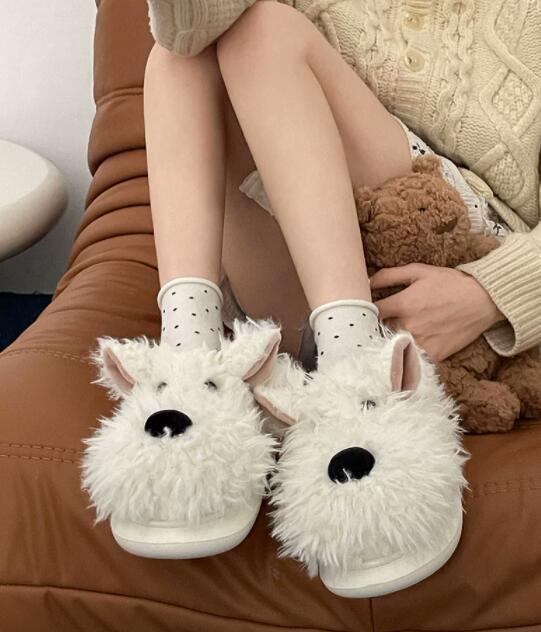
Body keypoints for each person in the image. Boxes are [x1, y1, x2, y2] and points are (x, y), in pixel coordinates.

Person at [143, 0, 541, 370]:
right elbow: (186, 30)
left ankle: (355, 369)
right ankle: (187, 361)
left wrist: (488, 293)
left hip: (465, 250)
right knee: (179, 58)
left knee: (266, 33)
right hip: (301, 287)